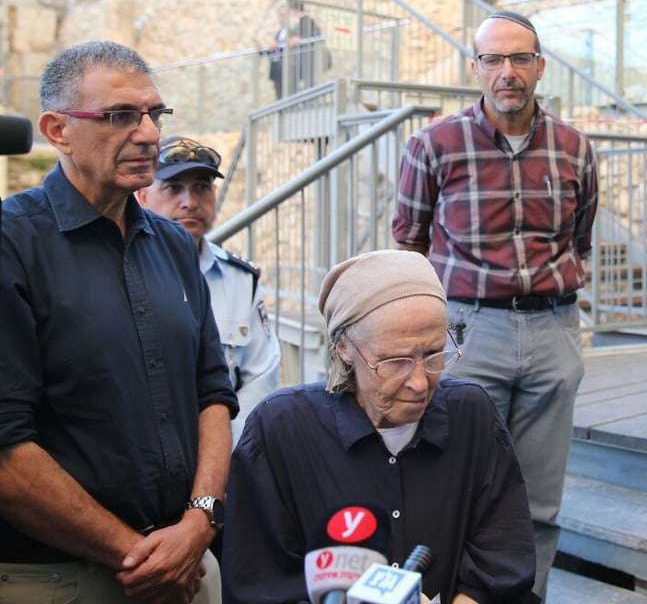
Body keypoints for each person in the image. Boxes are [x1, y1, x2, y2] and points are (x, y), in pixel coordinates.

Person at [0, 41, 236, 603]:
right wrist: (140, 556)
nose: (148, 133)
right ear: (57, 130)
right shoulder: (6, 245)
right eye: (120, 116)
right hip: (54, 580)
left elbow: (212, 392)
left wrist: (199, 522)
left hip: (186, 563)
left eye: (154, 114)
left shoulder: (172, 244)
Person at [392, 10, 597, 601]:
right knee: (449, 483)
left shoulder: (576, 149)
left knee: (539, 500)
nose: (507, 72)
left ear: (539, 66)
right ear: (475, 67)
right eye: (493, 60)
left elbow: (579, 239)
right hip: (466, 332)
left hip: (554, 330)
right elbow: (408, 241)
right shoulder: (433, 144)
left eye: (519, 59)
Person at [222, 250, 537, 604]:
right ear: (344, 348)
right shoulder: (280, 431)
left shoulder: (473, 415)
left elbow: (502, 562)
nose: (420, 382)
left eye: (434, 355)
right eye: (395, 361)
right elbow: (257, 583)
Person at [136, 135, 281, 444]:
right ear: (143, 197)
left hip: (228, 452)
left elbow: (261, 378)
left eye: (202, 187)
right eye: (173, 188)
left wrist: (220, 452)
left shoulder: (239, 278)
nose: (190, 201)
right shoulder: (126, 271)